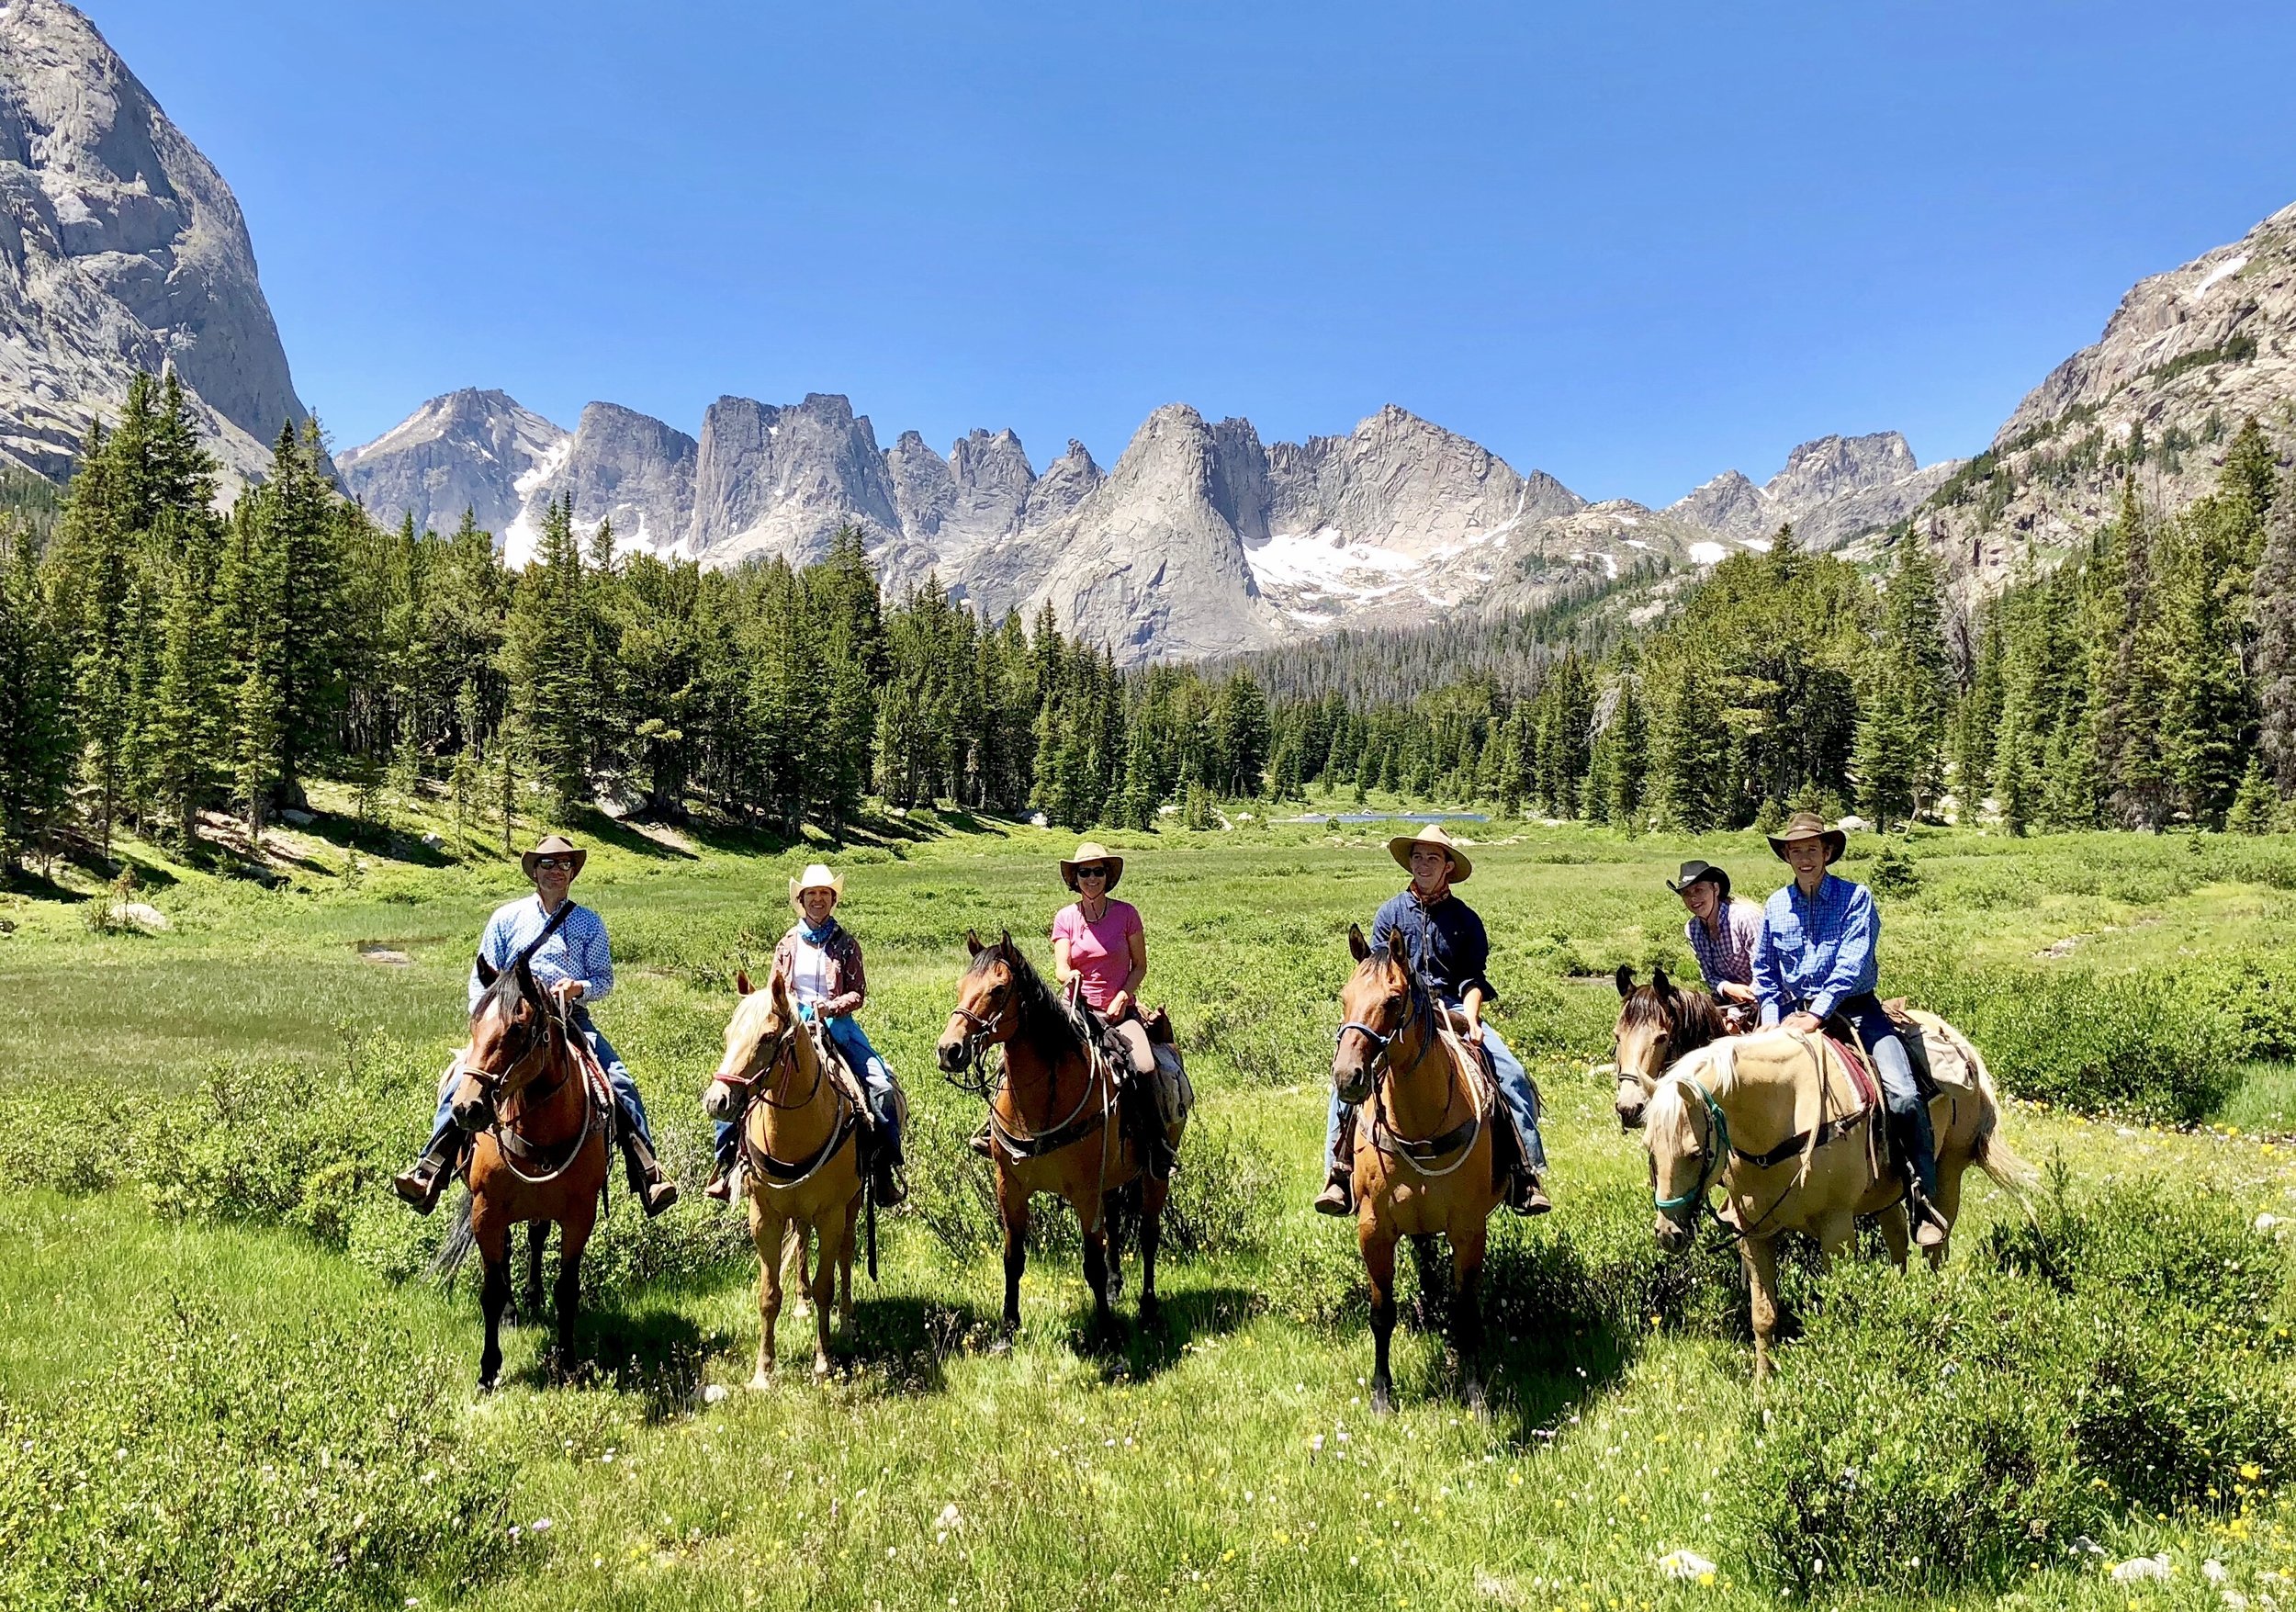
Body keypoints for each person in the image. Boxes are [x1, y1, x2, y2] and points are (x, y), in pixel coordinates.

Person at [393, 834, 679, 1218]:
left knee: (619, 1081)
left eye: (563, 864)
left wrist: (580, 987)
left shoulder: (588, 922)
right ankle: (430, 1168)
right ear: (534, 872)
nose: (556, 871)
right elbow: (482, 979)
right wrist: (486, 1022)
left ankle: (648, 1172)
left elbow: (605, 979)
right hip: (510, 1025)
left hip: (568, 1019)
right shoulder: (506, 918)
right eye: (547, 864)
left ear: (572, 872)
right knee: (465, 1081)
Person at [1315, 823, 1549, 1218]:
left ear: (1448, 868)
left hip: (1454, 1012)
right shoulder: (1389, 913)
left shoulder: (1466, 920)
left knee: (1512, 1074)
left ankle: (1524, 1174)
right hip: (1400, 1014)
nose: (1423, 864)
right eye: (1418, 857)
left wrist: (1473, 1022)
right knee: (1346, 1080)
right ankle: (1338, 1174)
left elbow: (1474, 980)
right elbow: (1377, 972)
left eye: (1433, 858)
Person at [1750, 812, 1944, 1247]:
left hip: (1855, 1011)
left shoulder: (1857, 898)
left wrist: (1818, 1013)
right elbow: (1763, 970)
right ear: (1786, 856)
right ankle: (1750, 1195)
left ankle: (1921, 1199)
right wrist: (1768, 1020)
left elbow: (1852, 963)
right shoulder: (1776, 905)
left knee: (1904, 1093)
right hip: (1791, 1016)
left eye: (1812, 850)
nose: (1804, 858)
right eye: (1795, 851)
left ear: (1828, 853)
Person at [705, 864, 906, 1207]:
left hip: (837, 1026)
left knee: (881, 1086)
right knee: (740, 1080)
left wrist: (829, 1007)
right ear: (801, 900)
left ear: (833, 900)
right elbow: (775, 991)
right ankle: (727, 1165)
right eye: (811, 894)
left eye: (824, 894)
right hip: (790, 1026)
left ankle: (884, 1167)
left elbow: (858, 992)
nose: (817, 900)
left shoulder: (846, 944)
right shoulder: (786, 943)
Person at [1670, 859, 1763, 1017]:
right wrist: (1727, 988)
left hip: (1768, 999)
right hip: (1730, 1000)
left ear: (1716, 889)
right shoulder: (1692, 929)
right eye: (1686, 894)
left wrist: (1743, 1004)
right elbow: (1709, 974)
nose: (1693, 898)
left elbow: (1764, 971)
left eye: (1699, 890)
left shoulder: (1744, 918)